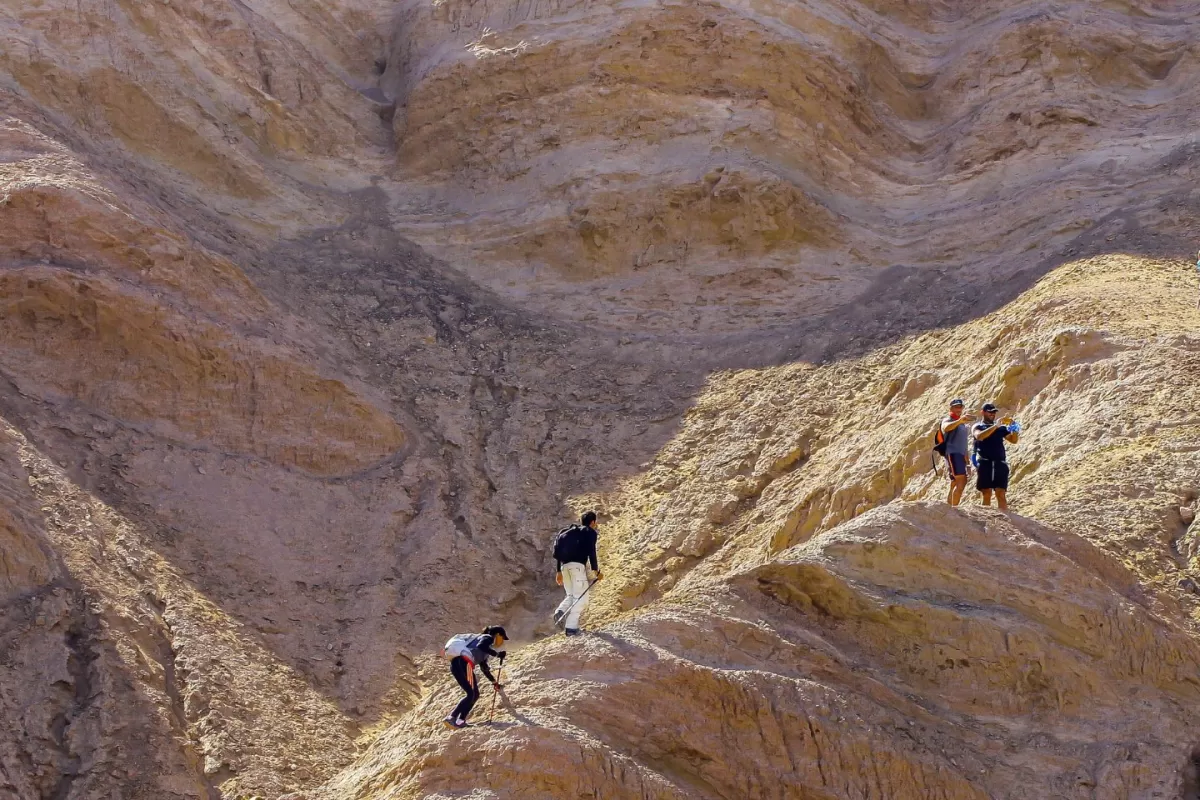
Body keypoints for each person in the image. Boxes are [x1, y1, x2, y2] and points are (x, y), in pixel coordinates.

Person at [441, 626, 506, 729]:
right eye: (502, 637)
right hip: (464, 663)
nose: (501, 641)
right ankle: (451, 717)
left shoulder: (480, 651)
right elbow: (482, 646)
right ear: (497, 635)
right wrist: (497, 654)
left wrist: (494, 683)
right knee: (472, 694)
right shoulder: (487, 637)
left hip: (455, 665)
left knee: (473, 694)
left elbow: (484, 669)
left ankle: (460, 721)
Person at [553, 511, 602, 636]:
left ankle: (560, 610)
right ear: (593, 522)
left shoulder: (569, 533)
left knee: (571, 595)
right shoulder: (589, 532)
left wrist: (558, 571)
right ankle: (571, 628)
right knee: (582, 599)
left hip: (565, 568)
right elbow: (592, 551)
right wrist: (596, 570)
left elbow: (558, 552)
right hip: (577, 568)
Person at [972, 402, 1020, 511]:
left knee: (1001, 493)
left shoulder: (1001, 428)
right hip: (985, 462)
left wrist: (1015, 428)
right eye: (990, 412)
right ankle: (985, 518)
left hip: (1000, 463)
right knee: (986, 492)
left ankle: (1004, 520)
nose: (992, 414)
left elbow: (1013, 440)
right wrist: (995, 426)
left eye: (994, 412)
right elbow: (979, 436)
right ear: (983, 412)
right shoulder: (978, 426)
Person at [941, 398, 976, 507]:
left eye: (960, 407)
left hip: (960, 455)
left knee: (955, 482)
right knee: (962, 481)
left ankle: (948, 507)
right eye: (956, 407)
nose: (958, 409)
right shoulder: (948, 420)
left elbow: (964, 444)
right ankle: (954, 509)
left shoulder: (962, 425)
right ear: (951, 408)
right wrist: (960, 420)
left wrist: (968, 462)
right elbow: (946, 428)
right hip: (953, 454)